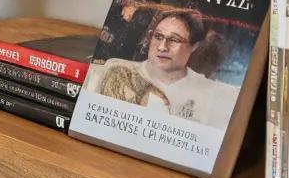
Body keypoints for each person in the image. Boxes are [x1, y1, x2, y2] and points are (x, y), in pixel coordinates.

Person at [91, 8, 233, 127]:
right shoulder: (118, 71)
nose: (162, 47)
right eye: (158, 37)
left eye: (174, 40)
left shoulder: (207, 91)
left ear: (194, 47)